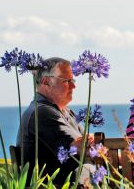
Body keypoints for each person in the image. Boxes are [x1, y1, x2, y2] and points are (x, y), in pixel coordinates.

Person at [17, 57, 94, 185]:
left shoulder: (65, 111)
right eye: (67, 81)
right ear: (46, 81)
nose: (74, 86)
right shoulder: (42, 113)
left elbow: (85, 143)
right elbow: (81, 147)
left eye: (73, 80)